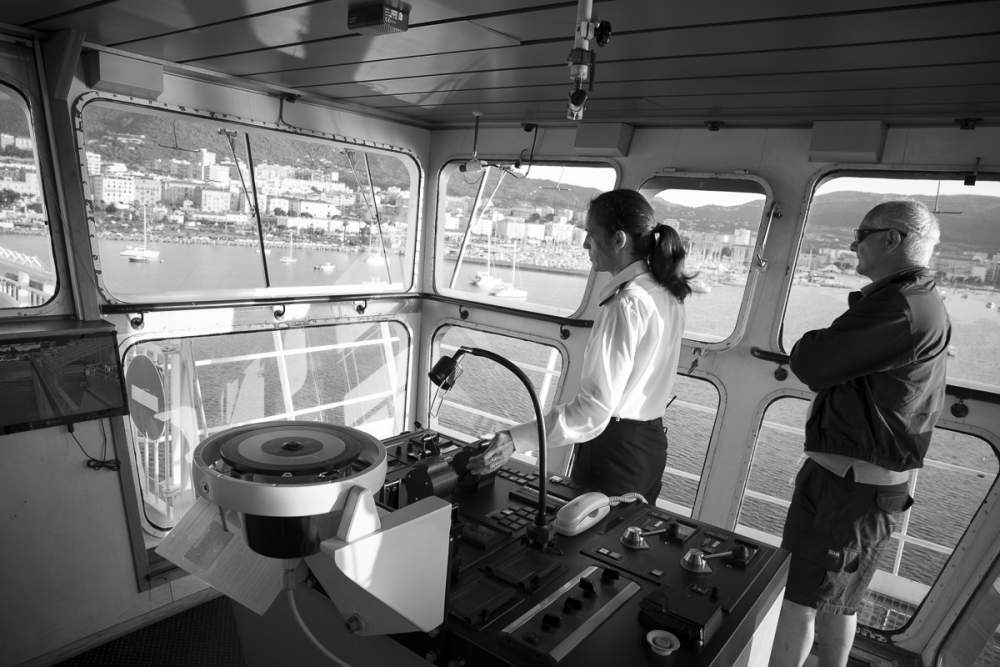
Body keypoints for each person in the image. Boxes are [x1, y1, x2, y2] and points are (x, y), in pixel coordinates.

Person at [769, 200, 951, 667]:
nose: (853, 243)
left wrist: (814, 343)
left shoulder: (902, 306)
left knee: (802, 600)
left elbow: (812, 361)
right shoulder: (905, 301)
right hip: (848, 482)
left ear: (893, 239)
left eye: (861, 233)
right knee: (831, 599)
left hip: (851, 491)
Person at [468, 188, 692, 504]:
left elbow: (594, 410)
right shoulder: (666, 291)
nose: (585, 243)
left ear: (619, 240)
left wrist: (514, 439)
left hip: (615, 453)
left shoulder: (625, 304)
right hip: (650, 446)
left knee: (582, 547)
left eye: (591, 233)